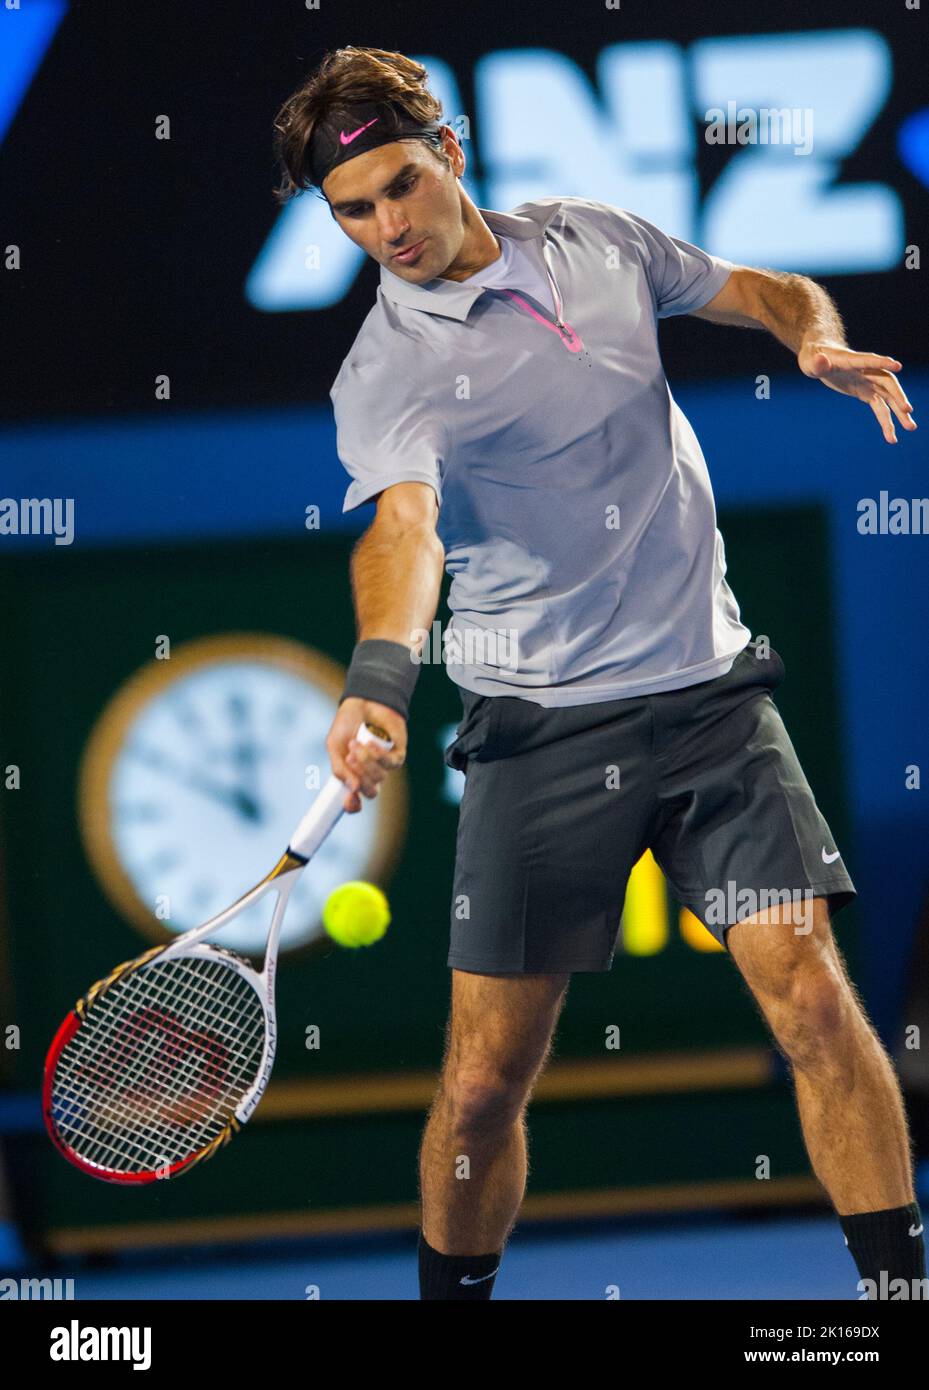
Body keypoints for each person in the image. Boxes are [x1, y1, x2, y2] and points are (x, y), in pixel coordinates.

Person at [272, 46, 923, 1300]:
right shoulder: (387, 370)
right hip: (539, 731)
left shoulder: (595, 240)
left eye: (400, 187)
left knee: (810, 999)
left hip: (709, 703)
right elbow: (403, 531)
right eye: (351, 212)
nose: (385, 228)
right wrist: (377, 679)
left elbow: (761, 286)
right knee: (477, 1091)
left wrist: (818, 340)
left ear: (449, 154)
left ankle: (894, 1306)